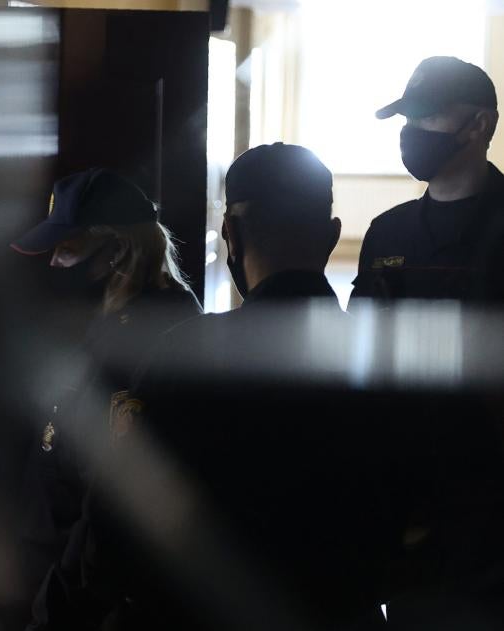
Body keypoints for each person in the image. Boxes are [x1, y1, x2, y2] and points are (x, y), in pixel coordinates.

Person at [33, 145, 397, 631]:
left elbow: (114, 525)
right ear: (332, 235)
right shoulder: (384, 361)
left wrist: (55, 614)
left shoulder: (192, 354)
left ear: (231, 233)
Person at [9, 168, 202, 628]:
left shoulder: (160, 330)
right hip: (52, 574)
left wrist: (57, 608)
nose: (53, 263)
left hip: (88, 599)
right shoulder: (103, 318)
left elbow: (115, 505)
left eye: (67, 249)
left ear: (117, 249)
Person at [350, 56, 503, 305]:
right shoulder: (386, 233)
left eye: (429, 117)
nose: (412, 131)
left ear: (479, 125)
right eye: (409, 119)